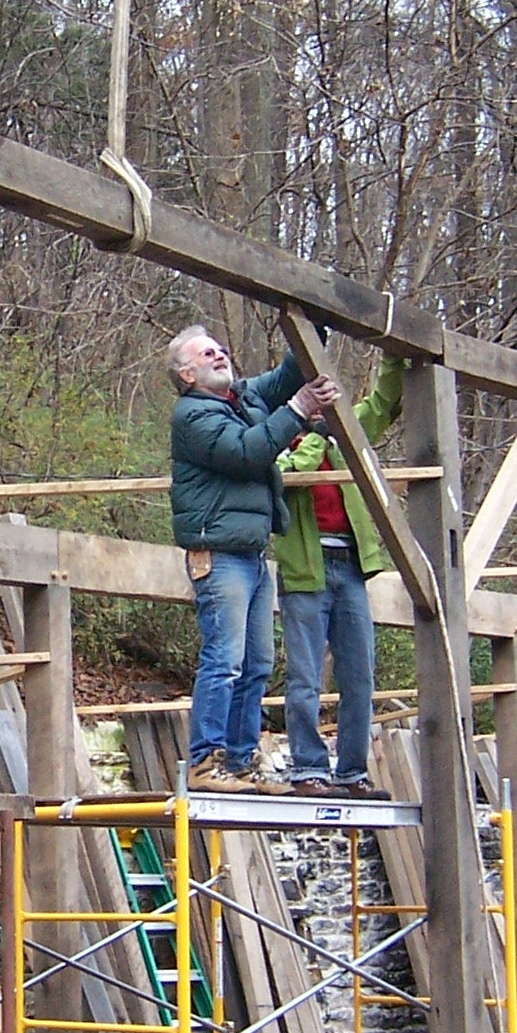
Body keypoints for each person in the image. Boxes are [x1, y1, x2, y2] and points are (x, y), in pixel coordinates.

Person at [168, 324, 337, 792]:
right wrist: (301, 410)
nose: (221, 354)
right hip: (219, 555)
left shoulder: (242, 398)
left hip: (251, 554)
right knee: (224, 661)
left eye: (221, 349)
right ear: (187, 374)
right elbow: (248, 453)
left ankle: (241, 762)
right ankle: (205, 763)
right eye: (207, 353)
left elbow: (286, 375)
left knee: (257, 663)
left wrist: (312, 327)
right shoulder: (193, 417)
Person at [276, 355, 405, 798]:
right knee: (305, 677)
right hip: (304, 571)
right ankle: (308, 770)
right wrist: (315, 436)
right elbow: (286, 474)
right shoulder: (279, 437)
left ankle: (352, 772)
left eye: (323, 399)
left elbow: (384, 404)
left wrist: (394, 360)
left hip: (349, 566)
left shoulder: (340, 434)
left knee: (359, 677)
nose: (318, 407)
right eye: (310, 399)